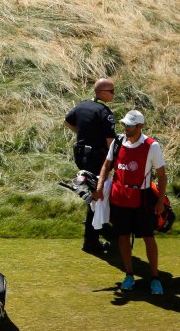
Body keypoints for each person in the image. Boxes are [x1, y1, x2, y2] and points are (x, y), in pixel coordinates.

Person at [94, 110, 167, 295]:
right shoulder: (118, 142)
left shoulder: (152, 146)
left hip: (142, 200)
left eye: (130, 125)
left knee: (149, 238)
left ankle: (155, 278)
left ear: (140, 126)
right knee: (123, 236)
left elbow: (162, 176)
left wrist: (159, 201)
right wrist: (100, 186)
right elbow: (106, 165)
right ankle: (129, 275)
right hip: (119, 198)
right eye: (125, 124)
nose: (126, 128)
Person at [64, 78, 116, 253]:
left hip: (80, 155)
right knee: (97, 195)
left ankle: (96, 233)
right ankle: (91, 241)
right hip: (95, 157)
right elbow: (111, 143)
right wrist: (114, 163)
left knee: (93, 194)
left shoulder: (82, 105)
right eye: (111, 91)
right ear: (101, 92)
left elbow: (67, 120)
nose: (114, 94)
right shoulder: (105, 112)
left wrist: (83, 133)